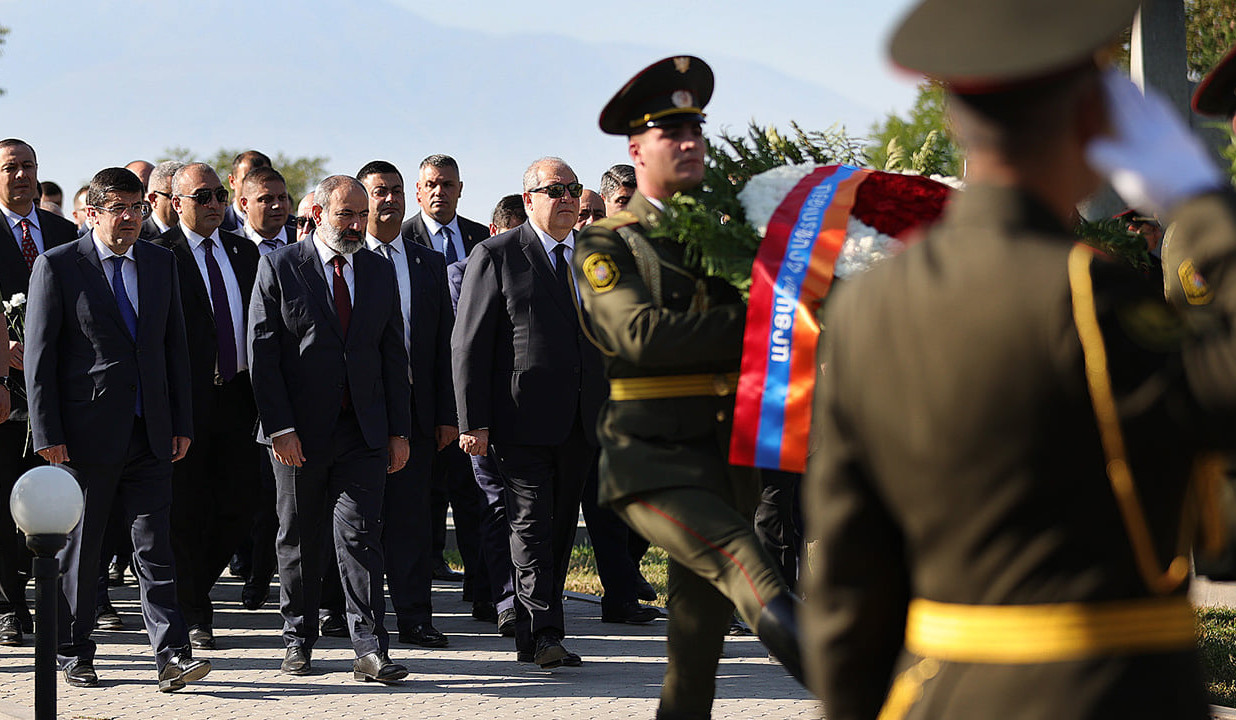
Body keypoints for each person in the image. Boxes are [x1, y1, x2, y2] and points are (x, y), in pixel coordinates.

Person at [800, 1, 1236, 718]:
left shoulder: (870, 308)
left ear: (955, 121)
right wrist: (1199, 202)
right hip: (1110, 694)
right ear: (1093, 118)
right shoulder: (1096, 302)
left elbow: (849, 582)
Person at [573, 56, 804, 718]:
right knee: (743, 559)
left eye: (696, 130)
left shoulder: (732, 235)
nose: (688, 143)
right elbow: (638, 335)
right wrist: (762, 318)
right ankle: (842, 674)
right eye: (670, 133)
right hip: (651, 459)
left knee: (697, 645)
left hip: (727, 456)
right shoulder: (609, 242)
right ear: (637, 150)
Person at [25, 167, 209, 692]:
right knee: (82, 551)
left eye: (136, 209)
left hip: (151, 432)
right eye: (118, 209)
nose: (129, 218)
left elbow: (174, 348)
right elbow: (40, 356)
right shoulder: (58, 265)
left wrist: (179, 421)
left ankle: (172, 656)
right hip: (85, 436)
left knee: (155, 547)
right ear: (93, 213)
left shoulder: (159, 262)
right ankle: (73, 651)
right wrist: (48, 433)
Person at [248, 174, 411, 683]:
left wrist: (399, 431)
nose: (357, 225)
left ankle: (370, 648)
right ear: (318, 214)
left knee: (362, 537)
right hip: (298, 435)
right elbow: (263, 355)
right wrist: (280, 428)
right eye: (346, 215)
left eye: (363, 215)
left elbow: (392, 353)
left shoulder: (378, 269)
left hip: (363, 431)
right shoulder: (280, 266)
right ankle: (297, 639)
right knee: (299, 538)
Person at [453, 157, 606, 668]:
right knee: (531, 524)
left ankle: (534, 631)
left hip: (582, 420)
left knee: (559, 529)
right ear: (529, 199)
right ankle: (544, 634)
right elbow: (469, 343)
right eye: (555, 190)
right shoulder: (496, 254)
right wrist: (473, 421)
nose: (567, 199)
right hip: (520, 420)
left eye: (573, 190)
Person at [152, 162, 261, 651]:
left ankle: (194, 590)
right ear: (177, 204)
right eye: (203, 196)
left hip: (239, 397)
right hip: (186, 400)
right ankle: (194, 611)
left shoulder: (243, 251)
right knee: (186, 510)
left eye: (220, 195)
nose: (215, 204)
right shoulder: (159, 255)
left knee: (242, 504)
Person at [359, 159, 459, 649]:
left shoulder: (427, 263)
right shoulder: (344, 259)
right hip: (356, 414)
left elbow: (443, 346)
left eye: (397, 190)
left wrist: (446, 415)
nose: (390, 199)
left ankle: (415, 617)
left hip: (416, 414)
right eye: (380, 191)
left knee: (412, 520)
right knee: (358, 523)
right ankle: (354, 617)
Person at [0, 138, 77, 648]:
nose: (22, 175)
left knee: (53, 496)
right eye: (11, 167)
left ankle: (58, 599)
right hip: (5, 390)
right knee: (5, 494)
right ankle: (10, 603)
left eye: (28, 165)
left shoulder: (63, 232)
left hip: (56, 392)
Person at [402, 153, 487, 590]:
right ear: (418, 191)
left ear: (460, 189)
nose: (440, 192)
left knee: (471, 487)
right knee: (425, 488)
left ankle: (481, 583)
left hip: (469, 380)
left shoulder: (480, 239)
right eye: (431, 184)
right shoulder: (401, 238)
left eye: (448, 184)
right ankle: (429, 564)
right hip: (422, 381)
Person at [221, 150, 272, 232]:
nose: (257, 188)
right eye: (248, 181)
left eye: (263, 181)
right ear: (232, 181)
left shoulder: (290, 227)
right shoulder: (217, 226)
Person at [141, 161, 184, 240]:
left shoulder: (202, 234)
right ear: (154, 200)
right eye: (175, 198)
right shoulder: (136, 238)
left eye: (187, 197)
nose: (184, 203)